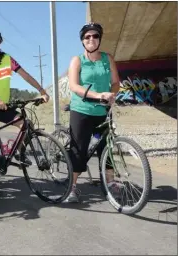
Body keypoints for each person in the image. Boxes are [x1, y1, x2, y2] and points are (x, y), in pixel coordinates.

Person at [0, 29, 50, 196]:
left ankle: (16, 152)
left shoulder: (8, 59)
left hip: (3, 106)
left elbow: (25, 75)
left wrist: (41, 90)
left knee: (26, 124)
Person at [65, 22, 120, 203]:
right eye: (87, 37)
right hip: (82, 109)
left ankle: (110, 182)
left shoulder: (107, 58)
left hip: (103, 110)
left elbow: (115, 82)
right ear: (82, 41)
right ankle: (72, 186)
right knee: (79, 148)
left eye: (95, 36)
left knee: (106, 145)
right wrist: (98, 95)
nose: (91, 39)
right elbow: (74, 86)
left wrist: (112, 93)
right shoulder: (77, 60)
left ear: (99, 39)